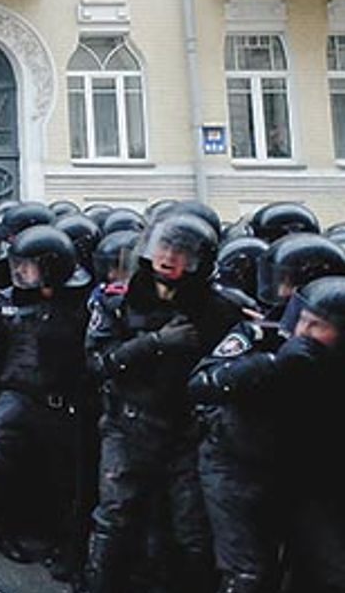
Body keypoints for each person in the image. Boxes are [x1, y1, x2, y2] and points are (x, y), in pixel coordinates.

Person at [84, 214, 243, 593]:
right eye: (165, 247)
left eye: (182, 252)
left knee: (190, 529)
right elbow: (96, 364)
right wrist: (153, 343)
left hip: (188, 433)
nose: (169, 257)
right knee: (115, 517)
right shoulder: (118, 301)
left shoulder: (218, 308)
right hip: (129, 425)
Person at [189, 239, 345, 593]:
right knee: (249, 576)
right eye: (303, 320)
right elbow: (202, 384)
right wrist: (269, 365)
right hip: (237, 466)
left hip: (304, 475)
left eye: (317, 325)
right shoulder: (261, 335)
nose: (303, 332)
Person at [0, 226, 91, 584]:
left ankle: (59, 549)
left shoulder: (80, 305)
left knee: (63, 483)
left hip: (61, 406)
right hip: (15, 399)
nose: (19, 272)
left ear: (52, 267)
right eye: (17, 265)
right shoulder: (6, 302)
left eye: (28, 266)